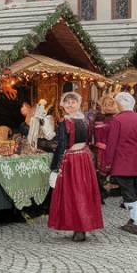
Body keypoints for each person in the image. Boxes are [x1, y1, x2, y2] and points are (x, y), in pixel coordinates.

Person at [100, 92, 137, 235]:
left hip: (122, 162)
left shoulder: (116, 120)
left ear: (120, 104)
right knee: (131, 189)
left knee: (128, 192)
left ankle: (135, 221)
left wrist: (106, 163)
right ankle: (132, 219)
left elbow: (112, 144)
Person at [47, 92, 104, 241]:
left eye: (73, 102)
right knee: (81, 192)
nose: (70, 104)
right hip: (82, 157)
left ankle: (80, 228)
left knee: (75, 193)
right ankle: (80, 227)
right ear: (63, 105)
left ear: (78, 104)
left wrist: (55, 166)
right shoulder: (85, 120)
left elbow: (61, 145)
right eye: (67, 102)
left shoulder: (69, 121)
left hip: (73, 159)